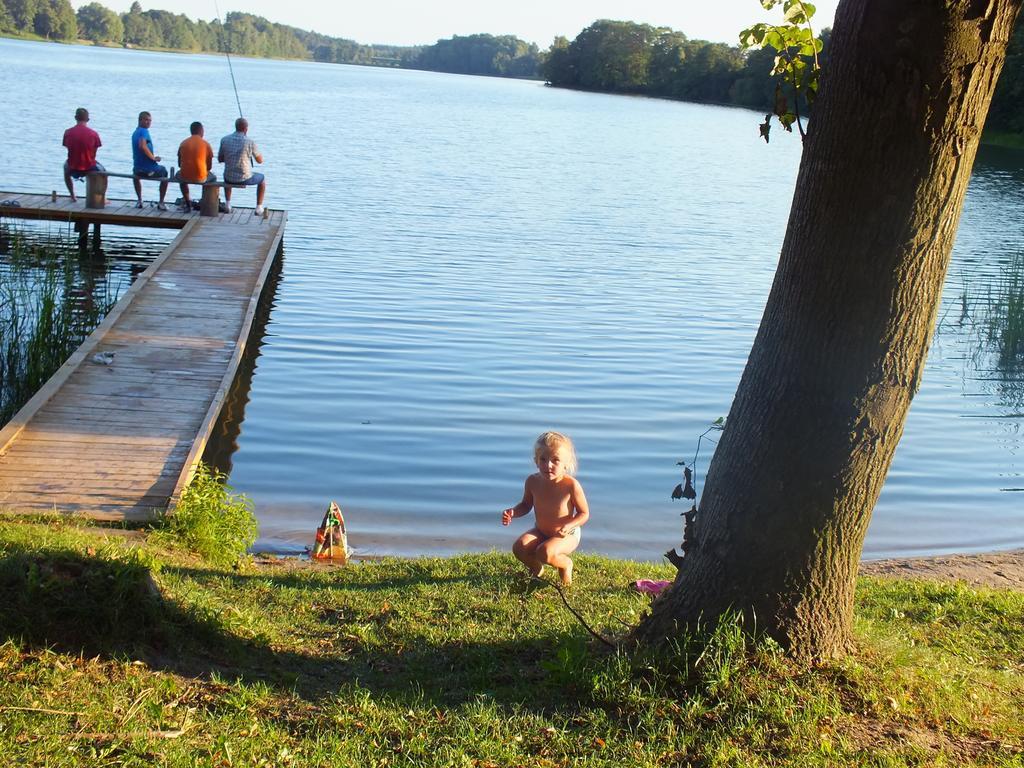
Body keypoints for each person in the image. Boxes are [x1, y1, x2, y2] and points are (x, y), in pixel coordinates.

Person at [501, 431, 590, 586]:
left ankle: (566, 565)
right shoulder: (532, 481)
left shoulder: (571, 486)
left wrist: (569, 525)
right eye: (543, 459)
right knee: (519, 547)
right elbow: (526, 505)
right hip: (541, 530)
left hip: (567, 534)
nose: (548, 465)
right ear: (536, 461)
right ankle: (537, 569)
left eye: (555, 460)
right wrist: (513, 512)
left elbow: (584, 513)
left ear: (566, 464)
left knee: (545, 552)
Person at [218, 117, 266, 216]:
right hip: (245, 178)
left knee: (227, 174)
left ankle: (228, 204)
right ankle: (259, 207)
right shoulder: (249, 142)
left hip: (229, 177)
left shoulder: (224, 139)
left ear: (235, 127)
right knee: (262, 179)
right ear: (246, 129)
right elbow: (260, 161)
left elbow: (220, 159)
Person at [62, 107, 104, 203]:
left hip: (72, 166)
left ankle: (72, 195)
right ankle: (101, 198)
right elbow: (94, 152)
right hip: (89, 166)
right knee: (104, 173)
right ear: (88, 119)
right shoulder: (94, 134)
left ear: (75, 118)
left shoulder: (68, 132)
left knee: (65, 168)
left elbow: (68, 148)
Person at [131, 111, 169, 211]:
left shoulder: (135, 132)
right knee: (165, 172)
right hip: (148, 170)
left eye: (150, 121)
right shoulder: (144, 131)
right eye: (146, 120)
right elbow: (142, 146)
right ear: (140, 120)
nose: (148, 122)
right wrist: (153, 158)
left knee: (135, 174)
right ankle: (161, 202)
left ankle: (139, 200)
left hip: (138, 169)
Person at [175, 121, 216, 212]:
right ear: (201, 131)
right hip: (201, 177)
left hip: (185, 176)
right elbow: (209, 166)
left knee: (179, 177)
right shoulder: (206, 144)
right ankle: (206, 202)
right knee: (213, 178)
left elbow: (179, 164)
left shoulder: (183, 143)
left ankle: (188, 202)